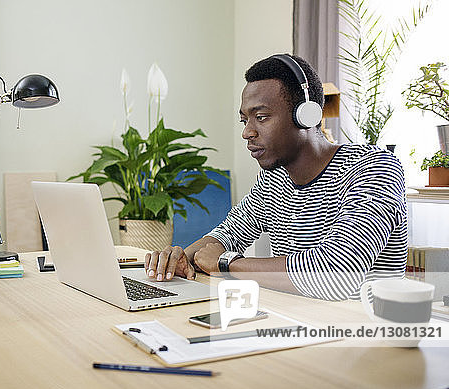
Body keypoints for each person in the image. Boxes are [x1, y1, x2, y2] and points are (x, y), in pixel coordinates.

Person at [144, 54, 407, 301]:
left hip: (360, 336)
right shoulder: (274, 179)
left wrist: (226, 263)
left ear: (307, 115)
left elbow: (337, 273)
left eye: (261, 117)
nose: (247, 132)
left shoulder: (374, 168)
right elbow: (228, 234)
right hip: (290, 327)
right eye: (244, 120)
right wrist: (181, 258)